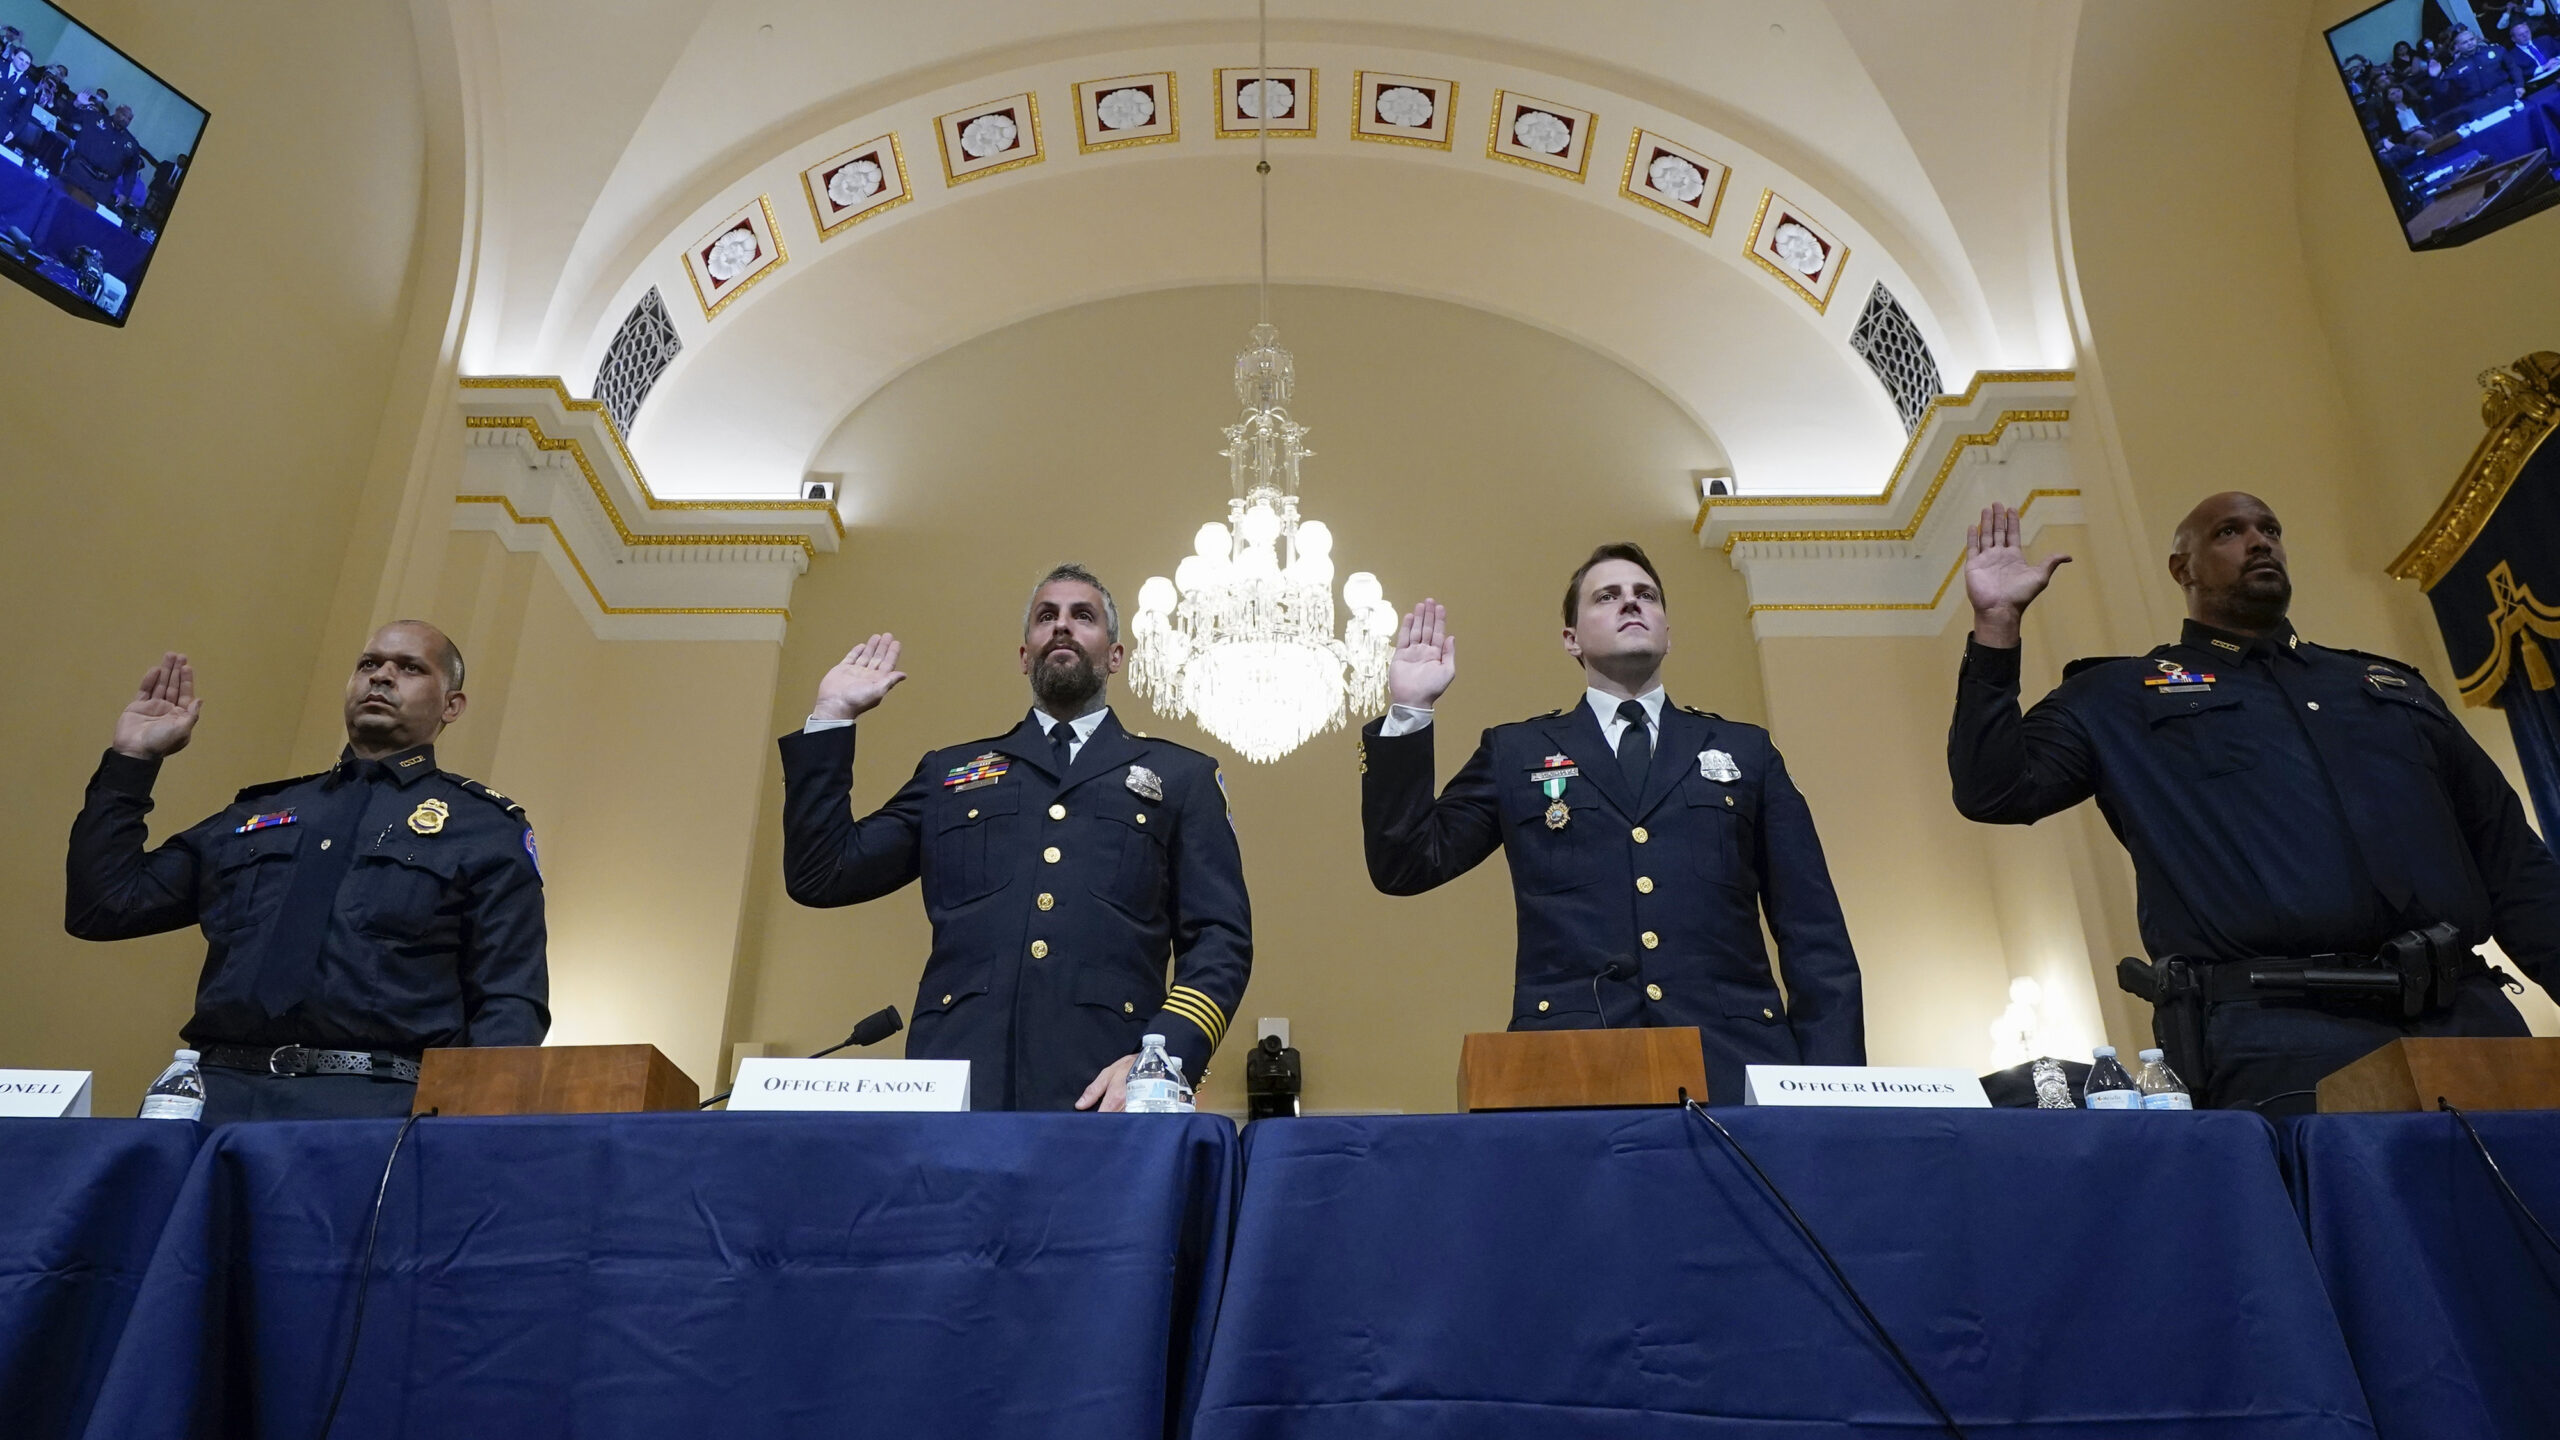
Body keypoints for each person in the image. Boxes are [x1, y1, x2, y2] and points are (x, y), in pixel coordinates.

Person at [1947, 496, 2560, 1113]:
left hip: (2465, 1012)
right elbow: (1995, 789)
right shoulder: (2120, 696)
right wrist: (1997, 628)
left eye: (2270, 528)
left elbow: (2511, 862)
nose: (2259, 541)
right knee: (2339, 1205)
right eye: (2229, 532)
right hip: (2283, 1033)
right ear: (2181, 569)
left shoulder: (2385, 686)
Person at [1357, 542, 1863, 1103]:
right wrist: (1410, 712)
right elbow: (1406, 864)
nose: (1631, 604)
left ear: (1668, 631)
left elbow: (1814, 933)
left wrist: (1833, 1088)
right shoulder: (1517, 751)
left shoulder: (1745, 750)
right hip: (1570, 1066)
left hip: (1736, 1061)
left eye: (1645, 595)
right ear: (1571, 638)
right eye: (1608, 596)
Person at [777, 564, 1252, 1112]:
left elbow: (1220, 939)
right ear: (1025, 655)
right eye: (1046, 617)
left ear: (1116, 655)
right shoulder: (950, 775)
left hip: (1107, 1090)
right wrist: (831, 717)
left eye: (1083, 616)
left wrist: (1163, 1056)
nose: (1062, 627)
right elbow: (823, 873)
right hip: (956, 1089)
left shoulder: (1181, 777)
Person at [66, 623, 548, 1123]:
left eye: (409, 668)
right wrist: (133, 760)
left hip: (372, 1106)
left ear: (452, 705)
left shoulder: (483, 827)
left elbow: (509, 1000)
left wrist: (474, 1128)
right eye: (369, 664)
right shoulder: (259, 814)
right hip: (214, 1095)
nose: (381, 676)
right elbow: (105, 907)